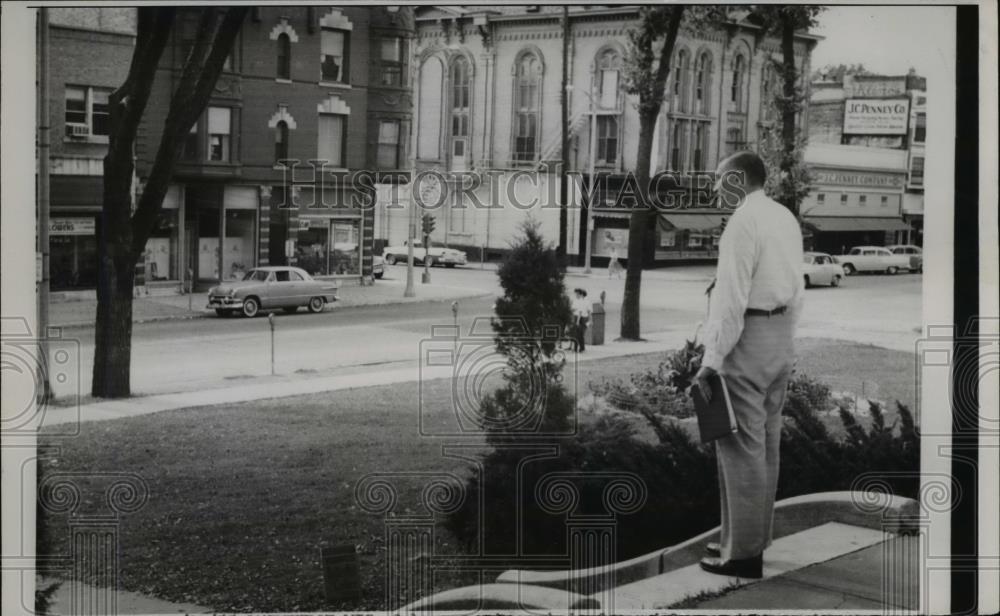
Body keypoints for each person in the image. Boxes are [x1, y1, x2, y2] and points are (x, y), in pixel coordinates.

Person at [693, 151, 805, 579]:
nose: (715, 186)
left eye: (720, 178)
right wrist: (786, 339)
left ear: (739, 179)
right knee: (765, 445)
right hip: (778, 338)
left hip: (747, 337)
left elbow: (731, 297)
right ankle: (749, 537)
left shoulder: (742, 222)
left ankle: (741, 555)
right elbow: (797, 288)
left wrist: (711, 359)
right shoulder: (784, 217)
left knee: (738, 445)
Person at [570, 288, 592, 352]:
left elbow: (580, 312)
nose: (577, 295)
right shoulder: (580, 301)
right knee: (579, 334)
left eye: (578, 294)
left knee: (578, 334)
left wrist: (577, 321)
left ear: (581, 294)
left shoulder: (583, 301)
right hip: (581, 318)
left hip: (580, 318)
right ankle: (581, 347)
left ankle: (577, 348)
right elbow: (589, 312)